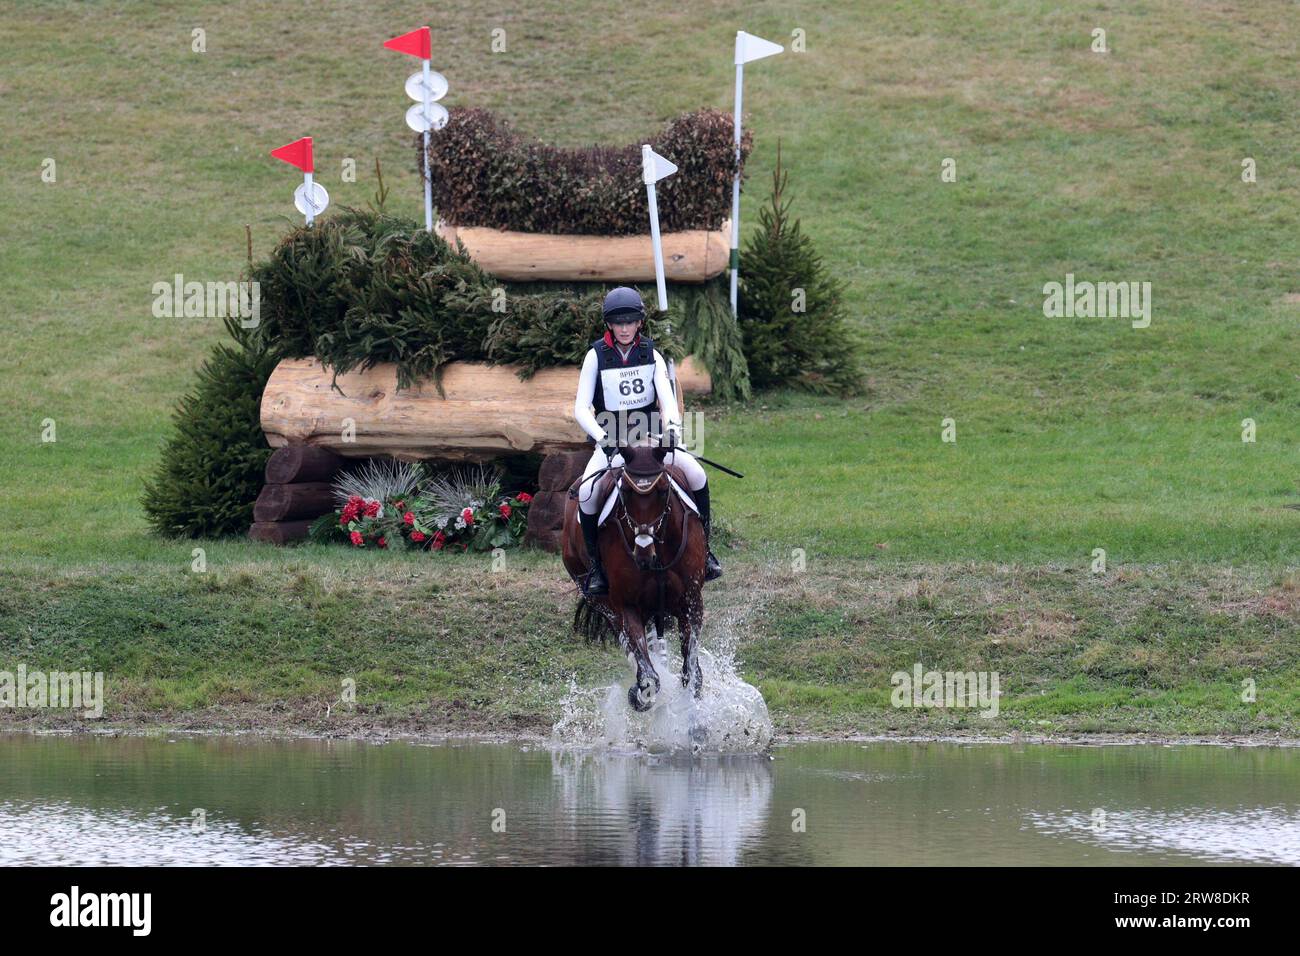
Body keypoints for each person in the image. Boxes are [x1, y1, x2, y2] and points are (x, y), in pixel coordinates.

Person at [572, 286, 722, 595]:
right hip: (614, 440)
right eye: (618, 323)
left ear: (640, 323)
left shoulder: (651, 353)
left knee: (697, 474)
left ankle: (705, 553)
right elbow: (579, 408)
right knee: (587, 493)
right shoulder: (595, 356)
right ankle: (599, 570)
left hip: (651, 439)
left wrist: (670, 432)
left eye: (630, 322)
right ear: (609, 325)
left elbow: (667, 403)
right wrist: (604, 440)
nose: (625, 328)